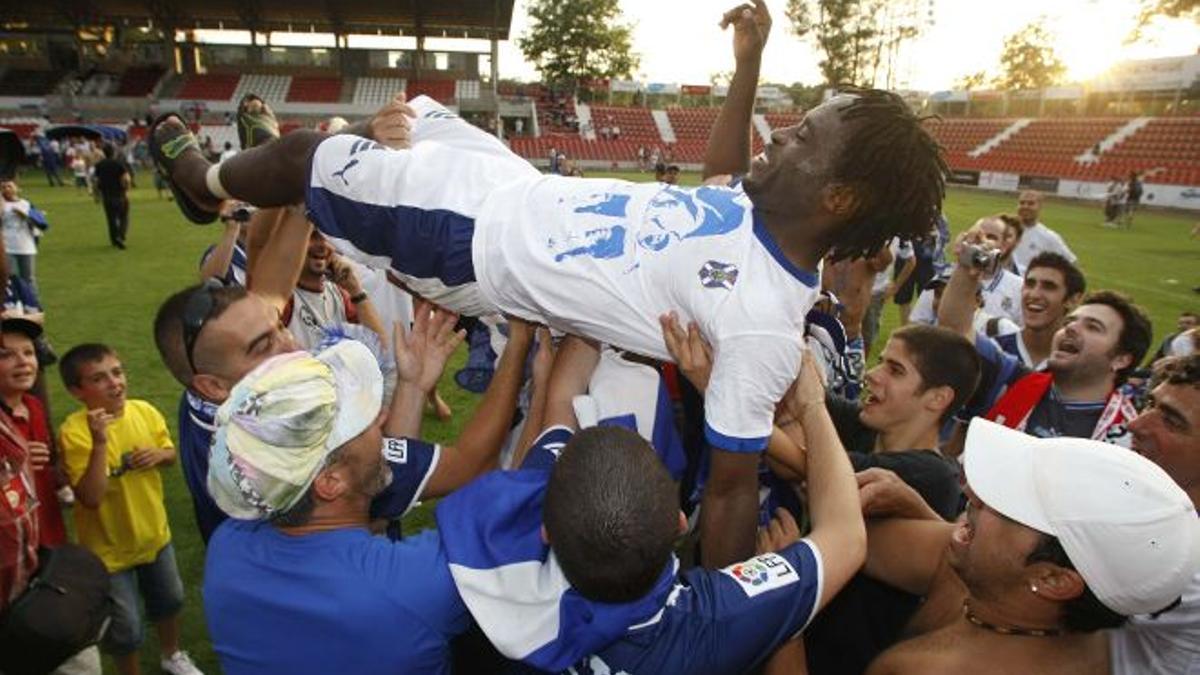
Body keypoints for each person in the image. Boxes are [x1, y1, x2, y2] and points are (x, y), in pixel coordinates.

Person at [149, 0, 947, 567]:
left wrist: (727, 610)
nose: (785, 135)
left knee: (304, 159)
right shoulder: (757, 214)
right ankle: (270, 171)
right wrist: (749, 67)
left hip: (476, 239)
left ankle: (205, 178)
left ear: (837, 199)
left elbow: (736, 489)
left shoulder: (763, 328)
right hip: (512, 184)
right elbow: (724, 170)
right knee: (405, 115)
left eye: (803, 137)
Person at [435, 334, 866, 674]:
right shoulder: (704, 625)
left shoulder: (496, 557)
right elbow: (845, 535)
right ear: (680, 522)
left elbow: (564, 397)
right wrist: (812, 406)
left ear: (545, 528)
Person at [153, 230, 538, 543]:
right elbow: (470, 464)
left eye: (280, 328)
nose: (292, 345)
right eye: (262, 346)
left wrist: (412, 387)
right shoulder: (298, 431)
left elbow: (382, 479)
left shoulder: (211, 407)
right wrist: (519, 342)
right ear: (213, 385)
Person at [202, 341, 472, 675]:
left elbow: (359, 513)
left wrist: (412, 388)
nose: (381, 417)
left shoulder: (227, 547)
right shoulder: (418, 584)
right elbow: (509, 501)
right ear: (330, 482)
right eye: (361, 424)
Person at [862, 418, 1200, 674]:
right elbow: (856, 540)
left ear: (1053, 579)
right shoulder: (995, 575)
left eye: (1010, 505)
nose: (972, 494)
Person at [56, 344, 202, 675]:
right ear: (77, 391)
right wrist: (101, 442)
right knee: (126, 628)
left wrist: (157, 455)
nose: (114, 383)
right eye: (99, 378)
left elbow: (169, 454)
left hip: (153, 534)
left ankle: (171, 654)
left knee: (170, 600)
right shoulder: (75, 432)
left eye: (117, 372)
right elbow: (91, 496)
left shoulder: (145, 411)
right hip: (108, 551)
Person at [939, 238, 1152, 447]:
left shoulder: (1130, 438)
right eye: (1071, 321)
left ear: (1122, 359)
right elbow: (955, 329)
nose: (1070, 327)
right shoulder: (1013, 380)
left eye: (1093, 327)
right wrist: (968, 270)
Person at [1109, 354, 1200, 674]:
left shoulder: (1189, 565)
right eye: (1150, 403)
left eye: (1172, 420)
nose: (1135, 423)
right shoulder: (1144, 498)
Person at [0, 317, 66, 548]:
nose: (22, 362)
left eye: (28, 353)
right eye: (5, 355)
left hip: (48, 526)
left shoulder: (33, 406)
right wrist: (17, 458)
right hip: (13, 539)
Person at [282, 229, 385, 351]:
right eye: (313, 236)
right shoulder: (283, 297)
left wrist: (356, 291)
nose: (323, 245)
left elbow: (379, 348)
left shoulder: (340, 294)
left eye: (328, 238)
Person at [910, 216, 1023, 327]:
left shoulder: (1019, 287)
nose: (982, 241)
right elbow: (918, 323)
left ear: (1003, 247)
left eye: (991, 237)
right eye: (977, 236)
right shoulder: (942, 279)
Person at [991, 252, 1086, 370]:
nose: (1034, 294)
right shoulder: (995, 350)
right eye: (1030, 284)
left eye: (1049, 287)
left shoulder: (1079, 365)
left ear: (1072, 300)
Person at [1010, 190, 1076, 270]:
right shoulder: (1004, 230)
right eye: (1022, 203)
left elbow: (1071, 262)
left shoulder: (1049, 237)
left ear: (1040, 207)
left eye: (1031, 203)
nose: (1025, 206)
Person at [1, 178, 43, 292]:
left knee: (29, 278)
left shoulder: (26, 204)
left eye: (9, 186)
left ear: (17, 188)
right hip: (7, 247)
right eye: (4, 187)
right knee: (10, 278)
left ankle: (32, 305)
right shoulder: (2, 206)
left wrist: (25, 216)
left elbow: (41, 224)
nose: (6, 189)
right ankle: (14, 305)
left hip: (26, 246)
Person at [93, 144, 131, 249]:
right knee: (124, 217)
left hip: (107, 195)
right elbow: (126, 179)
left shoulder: (99, 165)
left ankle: (114, 239)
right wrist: (126, 189)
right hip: (120, 194)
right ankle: (121, 235)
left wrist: (96, 195)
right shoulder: (119, 164)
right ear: (114, 152)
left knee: (111, 219)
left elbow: (96, 181)